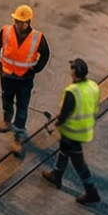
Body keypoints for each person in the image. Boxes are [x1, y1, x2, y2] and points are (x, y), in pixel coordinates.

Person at [43, 58, 103, 205]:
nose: (70, 71)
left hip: (73, 131)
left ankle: (91, 192)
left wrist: (57, 123)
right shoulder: (93, 85)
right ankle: (56, 175)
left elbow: (65, 113)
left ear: (74, 72)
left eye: (71, 68)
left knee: (78, 163)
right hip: (85, 128)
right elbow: (93, 106)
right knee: (64, 151)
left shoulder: (72, 91)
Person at [0, 5, 49, 137]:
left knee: (22, 106)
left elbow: (46, 54)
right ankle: (7, 121)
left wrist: (37, 68)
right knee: (6, 101)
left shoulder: (37, 37)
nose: (19, 24)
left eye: (22, 22)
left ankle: (18, 135)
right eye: (17, 21)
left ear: (28, 22)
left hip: (25, 79)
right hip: (7, 75)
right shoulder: (6, 31)